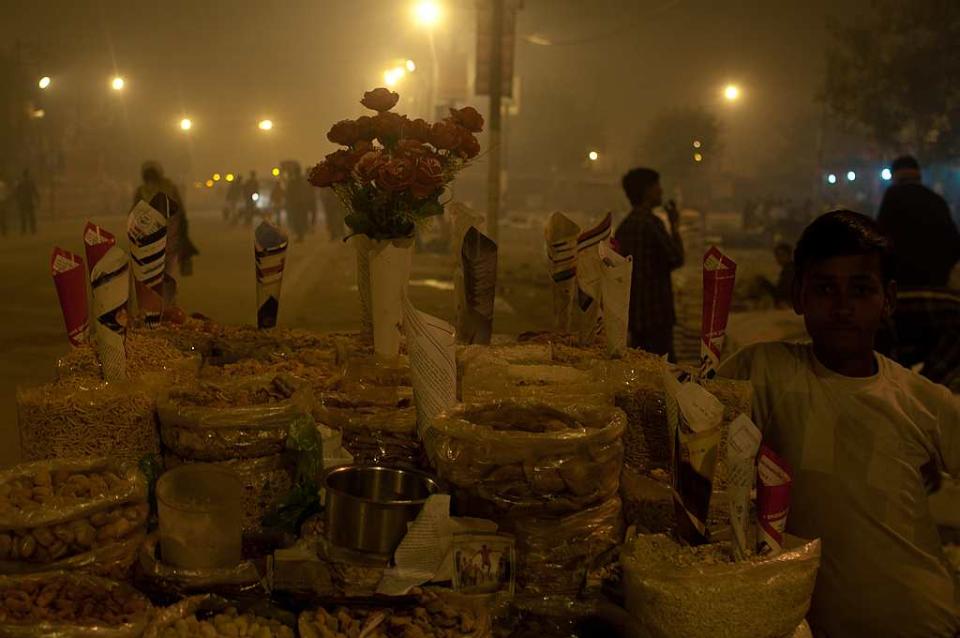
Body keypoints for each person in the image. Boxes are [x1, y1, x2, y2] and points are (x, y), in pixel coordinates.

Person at [718, 210, 960, 638]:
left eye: (860, 289)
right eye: (825, 288)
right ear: (798, 296)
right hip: (804, 624)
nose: (843, 306)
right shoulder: (763, 372)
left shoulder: (919, 400)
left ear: (888, 300)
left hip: (917, 619)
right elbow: (689, 422)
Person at [613, 167, 684, 359]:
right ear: (647, 191)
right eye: (656, 186)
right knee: (666, 372)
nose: (661, 190)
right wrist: (675, 226)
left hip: (635, 318)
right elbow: (676, 258)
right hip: (657, 316)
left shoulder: (624, 228)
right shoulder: (652, 223)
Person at [877, 155, 960, 288]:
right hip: (937, 287)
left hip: (903, 287)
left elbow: (881, 239)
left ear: (894, 177)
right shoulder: (937, 200)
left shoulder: (893, 196)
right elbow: (954, 244)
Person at [133, 161, 199, 302]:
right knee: (167, 273)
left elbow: (133, 216)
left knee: (154, 274)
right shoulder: (169, 187)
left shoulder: (142, 191)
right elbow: (180, 212)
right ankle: (168, 301)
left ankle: (160, 303)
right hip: (168, 238)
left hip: (152, 240)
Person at [756, 242, 795, 306]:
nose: (779, 258)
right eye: (777, 255)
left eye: (782, 255)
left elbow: (780, 294)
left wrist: (765, 283)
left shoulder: (790, 271)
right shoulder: (789, 269)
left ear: (789, 255)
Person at [284, 164, 316, 242]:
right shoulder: (302, 181)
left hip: (297, 204)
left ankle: (300, 235)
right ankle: (301, 235)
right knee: (301, 220)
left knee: (298, 220)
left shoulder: (293, 181)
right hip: (302, 203)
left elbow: (288, 193)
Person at [15, 169, 39, 235]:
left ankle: (23, 230)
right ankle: (33, 230)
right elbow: (35, 191)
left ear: (23, 175)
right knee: (31, 216)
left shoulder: (20, 183)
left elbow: (16, 193)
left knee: (23, 217)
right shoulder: (31, 182)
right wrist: (37, 199)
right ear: (28, 174)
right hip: (29, 201)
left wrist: (18, 200)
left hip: (22, 202)